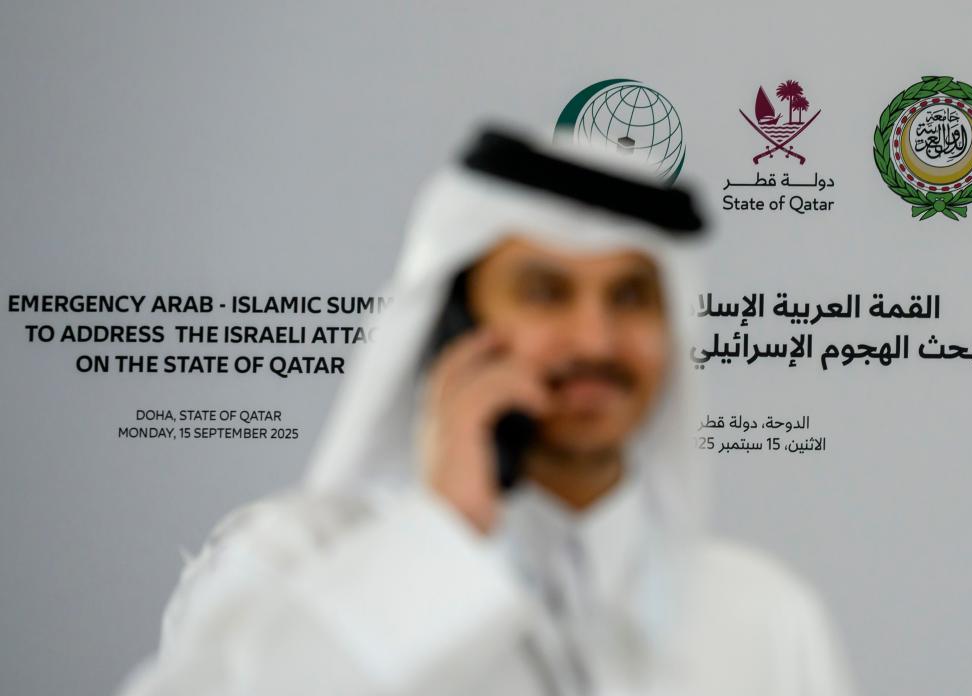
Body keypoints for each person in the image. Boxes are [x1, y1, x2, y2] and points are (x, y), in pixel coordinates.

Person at [117, 128, 855, 696]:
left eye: (630, 297)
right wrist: (443, 534)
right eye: (545, 292)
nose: (594, 341)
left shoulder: (762, 613)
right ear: (454, 326)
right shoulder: (294, 557)